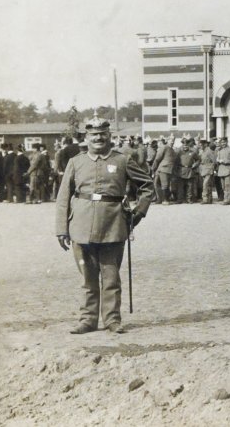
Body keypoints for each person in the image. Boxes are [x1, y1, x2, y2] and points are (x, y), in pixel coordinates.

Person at [55, 117, 154, 334]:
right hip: (80, 227)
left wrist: (138, 213)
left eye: (103, 133)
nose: (98, 137)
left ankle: (112, 320)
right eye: (93, 134)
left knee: (111, 278)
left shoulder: (123, 160)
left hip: (113, 225)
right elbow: (63, 197)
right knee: (88, 278)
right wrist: (61, 229)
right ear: (86, 137)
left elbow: (148, 186)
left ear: (109, 135)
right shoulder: (76, 162)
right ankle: (87, 320)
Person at [214, 136, 230, 205]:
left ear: (227, 142)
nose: (223, 144)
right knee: (223, 186)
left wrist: (224, 161)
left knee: (227, 185)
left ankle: (227, 200)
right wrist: (217, 161)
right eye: (222, 142)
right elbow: (217, 160)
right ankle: (225, 198)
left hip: (228, 169)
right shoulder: (219, 150)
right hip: (221, 170)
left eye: (224, 142)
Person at [197, 138, 217, 204]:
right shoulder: (201, 151)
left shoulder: (209, 151)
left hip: (208, 169)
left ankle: (205, 199)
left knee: (205, 184)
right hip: (203, 169)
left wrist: (213, 169)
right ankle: (209, 199)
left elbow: (214, 161)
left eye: (202, 145)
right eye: (200, 145)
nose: (200, 146)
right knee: (208, 185)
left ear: (205, 144)